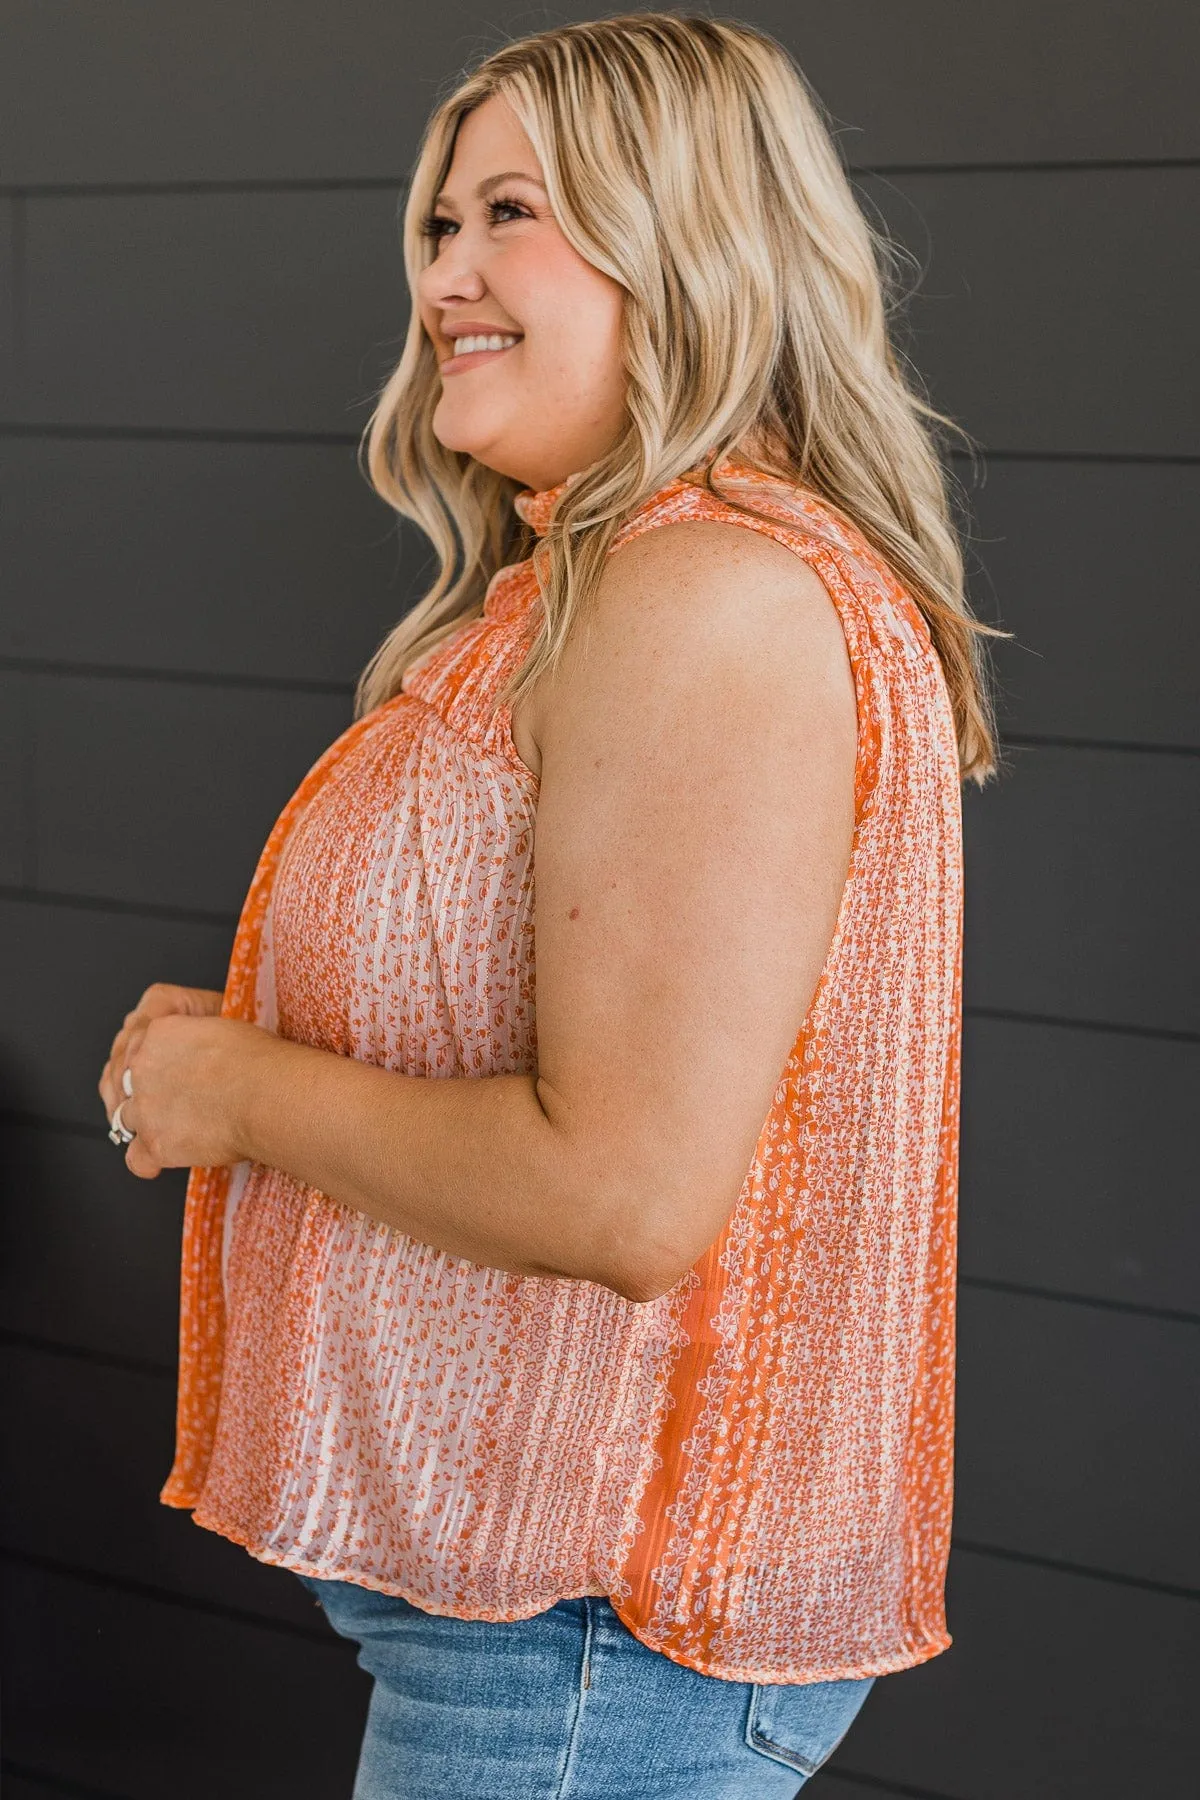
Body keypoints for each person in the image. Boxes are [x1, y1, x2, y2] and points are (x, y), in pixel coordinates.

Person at [98, 13, 996, 1796]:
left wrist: (239, 1097)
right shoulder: (614, 576)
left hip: (594, 1650)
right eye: (440, 225)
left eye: (514, 212)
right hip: (553, 1650)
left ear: (689, 243)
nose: (447, 275)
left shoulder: (709, 595)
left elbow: (624, 1190)